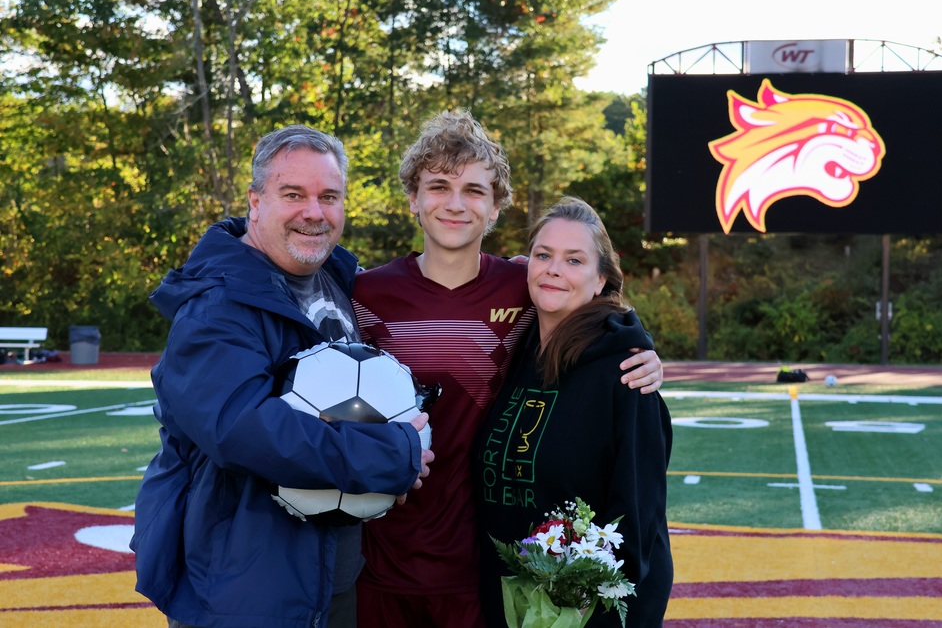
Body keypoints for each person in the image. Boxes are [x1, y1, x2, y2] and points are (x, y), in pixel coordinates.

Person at [350, 111, 663, 627]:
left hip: (486, 570)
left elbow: (593, 298)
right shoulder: (364, 295)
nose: (455, 203)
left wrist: (639, 345)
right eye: (438, 186)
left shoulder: (521, 288)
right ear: (413, 198)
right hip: (378, 559)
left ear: (496, 208)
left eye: (474, 189)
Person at [131, 124, 433, 628]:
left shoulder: (337, 280)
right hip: (243, 586)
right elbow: (241, 428)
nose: (313, 212)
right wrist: (390, 456)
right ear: (255, 201)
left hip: (332, 576)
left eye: (328, 196)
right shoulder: (216, 304)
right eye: (293, 194)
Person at [474, 196, 674, 627]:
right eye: (543, 255)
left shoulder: (627, 375)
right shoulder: (515, 353)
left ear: (601, 278)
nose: (554, 269)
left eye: (574, 260)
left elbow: (638, 530)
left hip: (588, 615)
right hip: (504, 605)